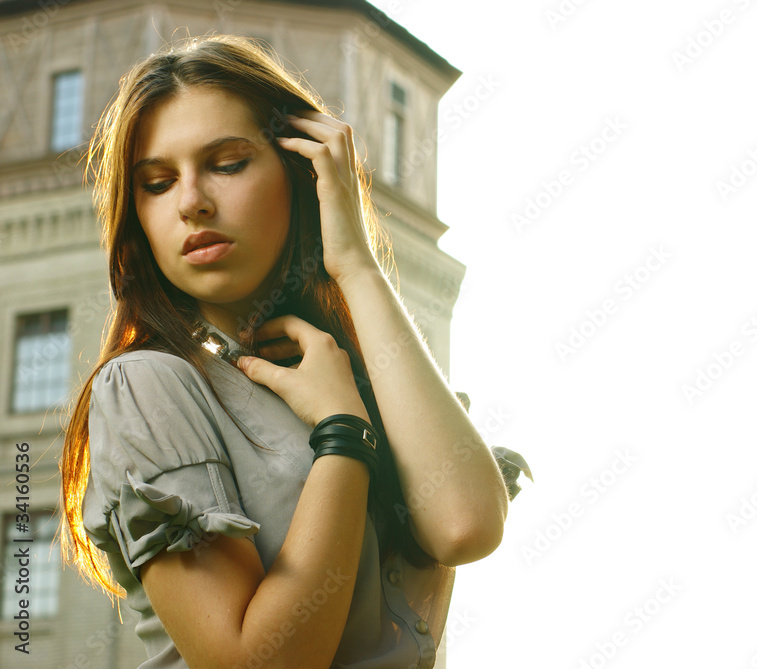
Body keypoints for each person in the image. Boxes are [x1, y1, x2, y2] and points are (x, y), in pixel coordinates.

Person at [58, 33, 521, 669]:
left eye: (226, 163)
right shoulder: (149, 385)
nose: (191, 201)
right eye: (158, 182)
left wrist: (355, 263)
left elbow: (466, 524)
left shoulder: (345, 371)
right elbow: (255, 662)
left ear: (300, 173)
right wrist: (343, 436)